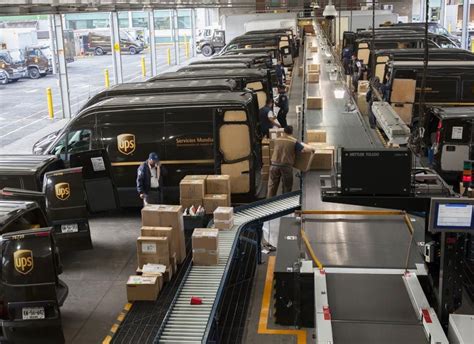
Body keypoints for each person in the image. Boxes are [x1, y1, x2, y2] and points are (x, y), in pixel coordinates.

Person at [267, 126, 314, 198]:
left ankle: (268, 203)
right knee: (287, 186)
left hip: (274, 165)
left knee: (272, 186)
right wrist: (312, 149)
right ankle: (285, 202)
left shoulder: (277, 139)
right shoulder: (293, 141)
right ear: (291, 133)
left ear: (284, 132)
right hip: (286, 166)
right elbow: (304, 150)